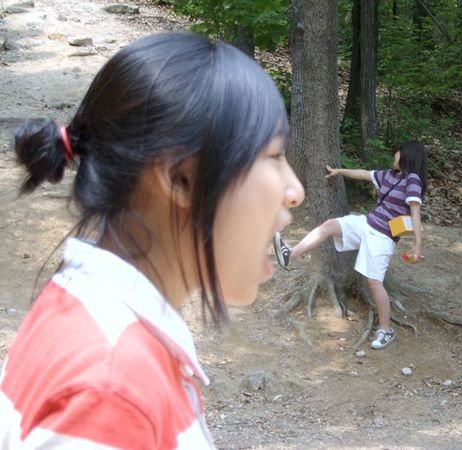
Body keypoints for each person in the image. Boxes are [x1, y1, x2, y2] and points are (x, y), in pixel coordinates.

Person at [0, 32, 304, 449]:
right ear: (182, 178)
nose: (295, 190)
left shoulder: (91, 320)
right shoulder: (111, 392)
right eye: (274, 156)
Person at [273, 141, 427, 350]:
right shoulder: (389, 175)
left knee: (374, 283)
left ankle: (385, 330)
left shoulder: (413, 179)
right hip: (366, 223)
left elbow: (415, 212)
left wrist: (418, 245)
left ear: (407, 155)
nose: (395, 156)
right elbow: (364, 174)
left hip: (383, 236)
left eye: (397, 153)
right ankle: (289, 255)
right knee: (329, 225)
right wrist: (339, 171)